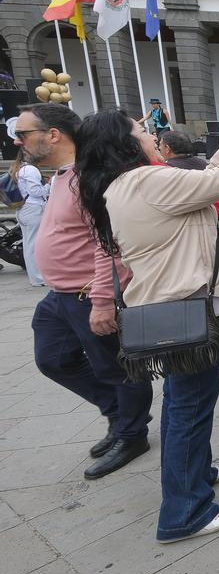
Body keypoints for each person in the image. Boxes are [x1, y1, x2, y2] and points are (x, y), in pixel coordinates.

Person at [76, 104, 219, 542]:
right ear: (122, 142)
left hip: (176, 303)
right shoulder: (146, 180)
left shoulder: (128, 184)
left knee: (183, 401)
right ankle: (184, 510)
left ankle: (197, 473)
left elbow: (198, 185)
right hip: (189, 305)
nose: (150, 132)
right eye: (140, 128)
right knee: (189, 405)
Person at [17, 103, 154, 479]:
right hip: (58, 294)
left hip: (86, 292)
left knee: (116, 368)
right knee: (53, 359)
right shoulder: (62, 175)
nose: (17, 142)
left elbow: (108, 243)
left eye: (23, 134)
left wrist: (103, 300)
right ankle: (118, 413)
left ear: (54, 135)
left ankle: (132, 432)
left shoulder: (89, 177)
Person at [12, 150, 49, 286]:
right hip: (33, 209)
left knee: (29, 244)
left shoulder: (20, 168)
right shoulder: (31, 169)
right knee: (34, 244)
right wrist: (49, 186)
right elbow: (35, 191)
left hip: (24, 209)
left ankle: (35, 277)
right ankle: (39, 278)